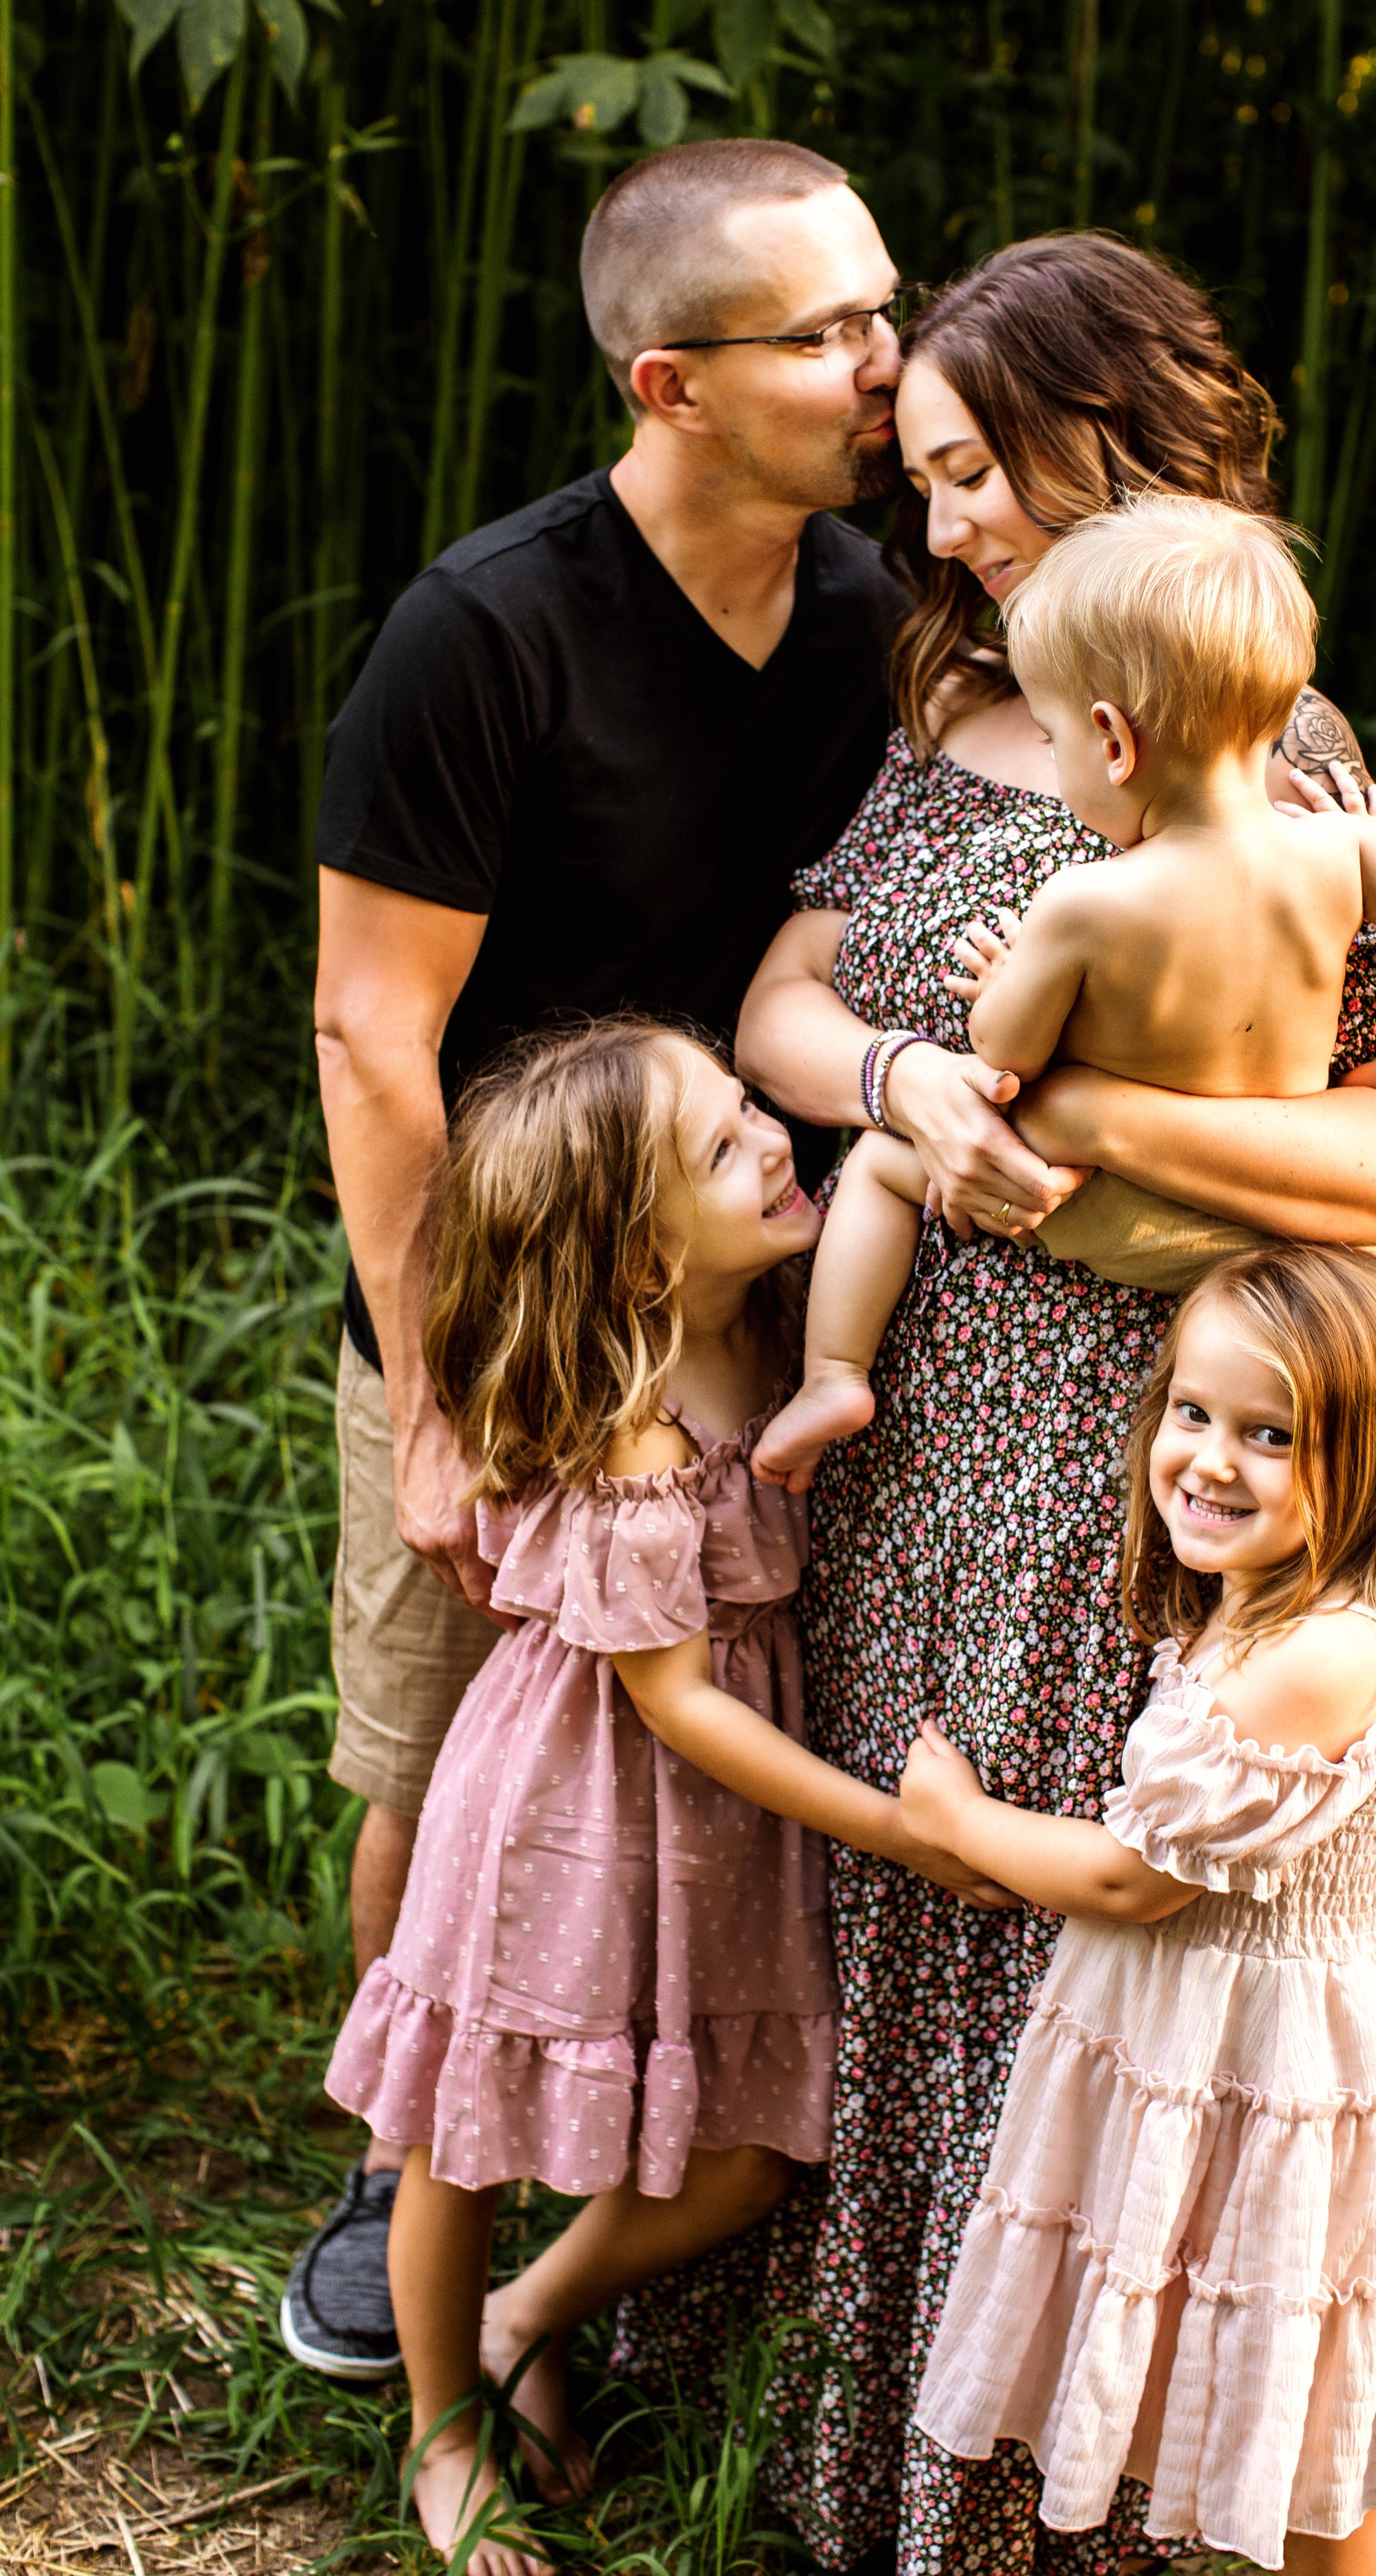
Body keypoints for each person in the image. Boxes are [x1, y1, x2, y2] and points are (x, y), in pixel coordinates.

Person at [699, 234, 1376, 2576]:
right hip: (924, 1408)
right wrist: (905, 1083)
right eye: (919, 480)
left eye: (970, 472)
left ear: (1100, 440)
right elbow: (777, 1006)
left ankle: (1092, 2482)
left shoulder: (1281, 757)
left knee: (1084, 1902)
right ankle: (877, 2435)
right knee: (910, 1889)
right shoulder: (945, 715)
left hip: (1161, 1422)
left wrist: (1105, 1129)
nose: (935, 528)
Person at [288, 134, 910, 2377]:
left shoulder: (875, 606)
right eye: (827, 331)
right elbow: (378, 1040)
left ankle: (656, 2154)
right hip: (500, 1302)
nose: (883, 363)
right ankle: (395, 2168)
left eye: (884, 302)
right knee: (447, 1749)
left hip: (745, 1277)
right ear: (670, 381)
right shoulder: (491, 630)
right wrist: (444, 1406)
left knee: (701, 1733)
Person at [322, 1018, 1013, 2576]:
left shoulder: (785, 1304)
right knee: (460, 2135)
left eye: (745, 1105)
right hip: (565, 1810)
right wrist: (898, 1827)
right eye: (720, 1146)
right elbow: (675, 1699)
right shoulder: (636, 1415)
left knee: (756, 2150)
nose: (773, 1139)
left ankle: (532, 2311)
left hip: (720, 1828)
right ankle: (444, 2433)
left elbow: (901, 1156)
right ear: (637, 1263)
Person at [902, 1242, 1376, 2575]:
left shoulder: (1324, 1651)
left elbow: (1132, 1877)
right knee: (1246, 2353)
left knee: (1307, 2395)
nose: (1208, 1461)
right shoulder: (1259, 1608)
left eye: (1268, 1435)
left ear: (1366, 1459)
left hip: (1275, 2061)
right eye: (1189, 1412)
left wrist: (953, 1823)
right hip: (1206, 2043)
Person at [755, 494, 1376, 1489]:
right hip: (1285, 1227)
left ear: (1114, 741)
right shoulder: (1341, 851)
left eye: (1058, 736)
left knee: (887, 1165)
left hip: (1117, 1213)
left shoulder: (1085, 905)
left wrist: (1005, 979)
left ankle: (833, 1375)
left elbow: (1005, 1061)